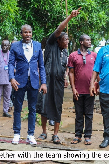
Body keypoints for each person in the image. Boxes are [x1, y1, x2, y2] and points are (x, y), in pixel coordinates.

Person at [37, 8, 81, 144]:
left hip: (59, 83)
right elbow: (59, 29)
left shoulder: (65, 51)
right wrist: (70, 17)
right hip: (47, 81)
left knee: (57, 106)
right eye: (64, 39)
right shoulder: (51, 44)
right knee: (44, 106)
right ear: (58, 40)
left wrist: (66, 76)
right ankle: (44, 132)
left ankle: (55, 134)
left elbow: (66, 67)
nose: (67, 42)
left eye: (68, 39)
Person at [8, 25, 47, 146]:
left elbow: (41, 65)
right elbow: (10, 63)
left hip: (34, 81)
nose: (28, 34)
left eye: (30, 32)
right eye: (25, 32)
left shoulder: (37, 45)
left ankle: (31, 135)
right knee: (17, 108)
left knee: (32, 109)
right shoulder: (15, 46)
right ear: (21, 34)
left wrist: (44, 82)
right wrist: (11, 78)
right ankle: (16, 134)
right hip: (19, 81)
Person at [68, 34, 97, 145]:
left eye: (90, 40)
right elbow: (71, 73)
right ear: (81, 42)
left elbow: (97, 71)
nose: (89, 42)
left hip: (90, 90)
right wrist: (73, 89)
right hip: (78, 90)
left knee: (89, 114)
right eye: (87, 40)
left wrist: (97, 85)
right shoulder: (73, 55)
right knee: (79, 114)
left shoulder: (94, 55)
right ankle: (78, 135)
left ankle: (88, 136)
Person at [0, 40, 12, 119]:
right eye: (3, 45)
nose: (5, 47)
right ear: (1, 46)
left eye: (6, 45)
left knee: (7, 96)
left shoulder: (11, 54)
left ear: (9, 46)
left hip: (8, 79)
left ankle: (5, 111)